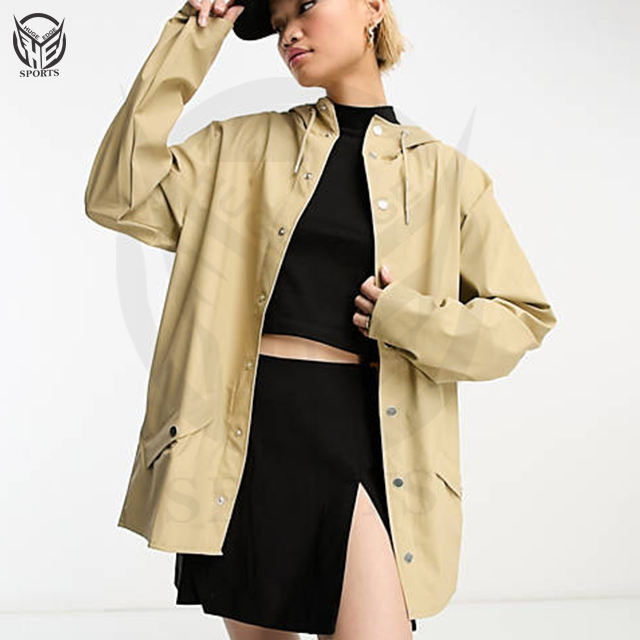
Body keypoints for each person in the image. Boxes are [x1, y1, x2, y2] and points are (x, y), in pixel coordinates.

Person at [84, 1, 557, 639]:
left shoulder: (448, 175)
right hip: (243, 440)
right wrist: (196, 34)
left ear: (372, 8)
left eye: (305, 6)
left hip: (367, 439)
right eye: (279, 24)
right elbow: (118, 195)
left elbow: (521, 319)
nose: (290, 33)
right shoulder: (239, 147)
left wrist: (408, 318)